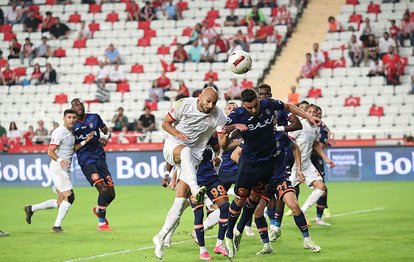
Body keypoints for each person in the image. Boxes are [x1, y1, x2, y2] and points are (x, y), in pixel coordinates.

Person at [219, 87, 320, 258]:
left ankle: (241, 232)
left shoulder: (267, 105)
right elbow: (223, 146)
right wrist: (227, 133)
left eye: (255, 105)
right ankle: (229, 235)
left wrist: (307, 116)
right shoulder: (236, 116)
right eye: (249, 107)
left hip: (269, 165)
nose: (254, 109)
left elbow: (288, 107)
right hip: (250, 164)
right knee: (240, 198)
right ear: (243, 105)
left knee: (255, 201)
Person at [153, 87, 227, 259]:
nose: (210, 105)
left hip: (194, 160)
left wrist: (222, 150)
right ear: (199, 97)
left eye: (214, 102)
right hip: (173, 147)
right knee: (185, 151)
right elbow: (165, 123)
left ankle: (160, 236)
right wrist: (177, 132)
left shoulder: (218, 115)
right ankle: (196, 188)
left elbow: (221, 143)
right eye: (208, 101)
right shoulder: (183, 104)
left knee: (179, 206)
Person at [24, 109, 94, 232]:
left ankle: (31, 208)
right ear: (64, 118)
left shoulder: (71, 132)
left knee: (60, 202)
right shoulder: (59, 132)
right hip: (58, 168)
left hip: (64, 169)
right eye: (69, 117)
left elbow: (71, 149)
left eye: (73, 117)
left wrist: (85, 141)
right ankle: (56, 227)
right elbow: (50, 151)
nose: (72, 120)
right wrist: (60, 160)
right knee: (70, 197)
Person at [71, 98, 115, 231]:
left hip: (100, 158)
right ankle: (102, 223)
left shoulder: (94, 118)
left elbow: (106, 130)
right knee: (103, 190)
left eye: (81, 104)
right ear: (72, 108)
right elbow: (72, 148)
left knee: (111, 194)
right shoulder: (71, 126)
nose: (79, 106)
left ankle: (98, 209)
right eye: (76, 105)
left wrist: (105, 138)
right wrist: (85, 141)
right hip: (86, 161)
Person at [288, 104, 335, 224]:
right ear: (305, 113)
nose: (313, 113)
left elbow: (316, 144)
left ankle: (302, 212)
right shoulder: (299, 125)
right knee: (285, 193)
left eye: (315, 112)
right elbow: (289, 144)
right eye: (310, 111)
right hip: (294, 165)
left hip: (307, 164)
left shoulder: (316, 127)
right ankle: (272, 220)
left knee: (321, 187)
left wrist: (326, 159)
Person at [310, 106, 334, 225]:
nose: (317, 115)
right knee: (290, 187)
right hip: (298, 159)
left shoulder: (321, 128)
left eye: (319, 113)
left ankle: (318, 217)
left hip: (314, 160)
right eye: (315, 113)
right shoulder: (301, 124)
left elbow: (320, 147)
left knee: (322, 188)